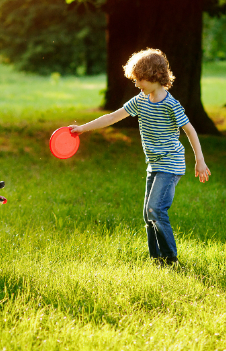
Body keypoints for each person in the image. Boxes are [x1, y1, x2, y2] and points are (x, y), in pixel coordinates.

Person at [69, 48, 210, 267]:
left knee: (155, 209)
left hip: (171, 164)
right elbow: (113, 116)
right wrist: (82, 129)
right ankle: (157, 259)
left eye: (141, 79)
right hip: (154, 164)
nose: (137, 84)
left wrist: (199, 160)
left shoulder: (171, 104)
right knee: (148, 215)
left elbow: (190, 130)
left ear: (155, 75)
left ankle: (170, 258)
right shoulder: (140, 100)